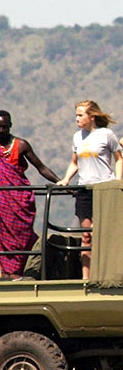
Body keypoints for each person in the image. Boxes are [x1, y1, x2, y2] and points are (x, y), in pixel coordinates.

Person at [57, 100, 123, 279]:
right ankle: (86, 278)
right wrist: (65, 179)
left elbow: (119, 158)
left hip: (104, 189)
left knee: (100, 233)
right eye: (76, 115)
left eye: (80, 115)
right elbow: (75, 163)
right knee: (86, 236)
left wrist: (117, 181)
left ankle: (105, 275)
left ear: (91, 116)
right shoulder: (77, 137)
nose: (77, 119)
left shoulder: (106, 135)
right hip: (84, 189)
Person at [0, 110, 61, 279]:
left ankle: (16, 271)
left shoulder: (20, 145)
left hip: (18, 198)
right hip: (1, 199)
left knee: (21, 234)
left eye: (4, 126)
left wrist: (60, 182)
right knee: (2, 235)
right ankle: (6, 273)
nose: (1, 130)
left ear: (10, 125)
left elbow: (40, 167)